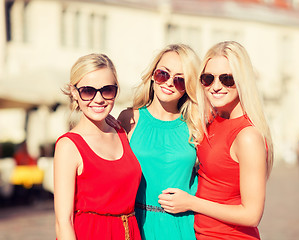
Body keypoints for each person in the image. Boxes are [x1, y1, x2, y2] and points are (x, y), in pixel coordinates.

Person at [158, 41, 274, 239]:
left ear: (242, 81)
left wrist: (191, 203)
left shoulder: (247, 136)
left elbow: (252, 215)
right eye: (208, 78)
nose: (216, 87)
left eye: (227, 79)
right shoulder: (212, 121)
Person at [116, 44, 201, 240]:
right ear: (153, 75)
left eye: (180, 80)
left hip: (182, 228)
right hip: (137, 225)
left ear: (188, 86)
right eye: (163, 74)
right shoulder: (129, 119)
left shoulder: (195, 125)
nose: (169, 83)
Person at [54, 53, 142, 240]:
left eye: (107, 90)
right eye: (88, 91)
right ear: (74, 92)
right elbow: (64, 222)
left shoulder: (121, 132)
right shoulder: (69, 146)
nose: (99, 99)